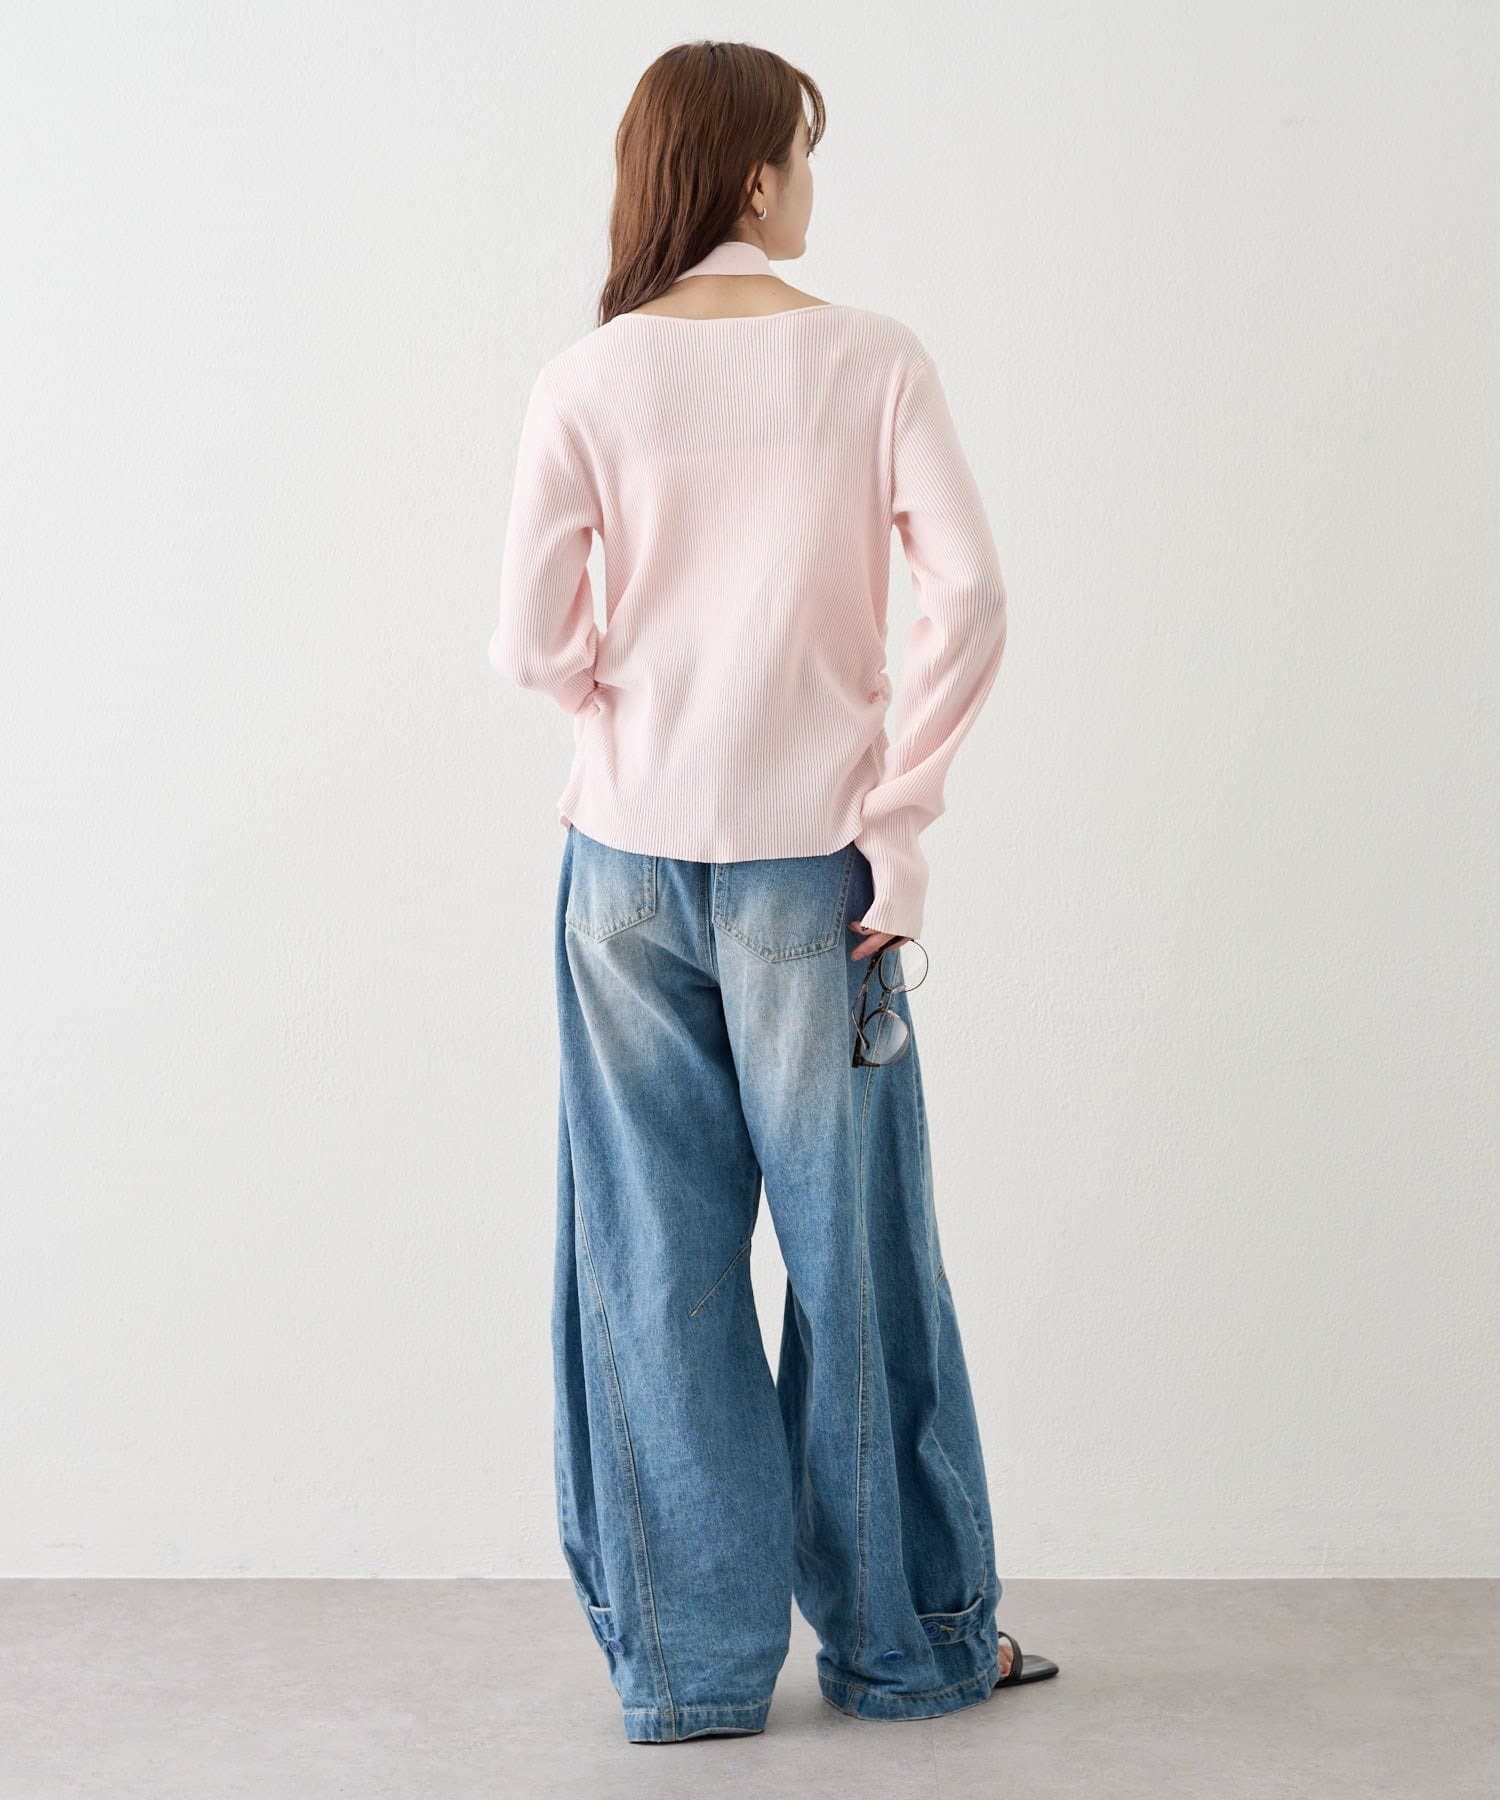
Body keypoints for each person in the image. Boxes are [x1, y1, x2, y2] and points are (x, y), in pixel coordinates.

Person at [490, 39, 1057, 1744]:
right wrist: (900, 810)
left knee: (650, 1268)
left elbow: (528, 643)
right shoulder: (869, 358)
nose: (811, 185)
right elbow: (971, 598)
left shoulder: (587, 377)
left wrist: (628, 702)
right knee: (857, 1263)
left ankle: (693, 1674)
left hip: (623, 868)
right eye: (803, 155)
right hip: (816, 871)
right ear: (755, 175)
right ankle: (907, 1649)